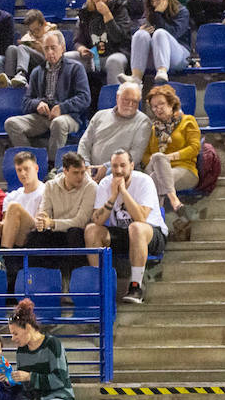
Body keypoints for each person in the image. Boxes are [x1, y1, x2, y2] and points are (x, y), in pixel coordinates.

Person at [84, 148, 167, 304]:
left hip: (150, 233)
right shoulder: (105, 183)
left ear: (132, 165)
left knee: (135, 227)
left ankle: (136, 286)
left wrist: (123, 191)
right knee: (91, 230)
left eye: (123, 165)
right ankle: (100, 286)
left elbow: (141, 217)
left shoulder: (144, 181)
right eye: (115, 166)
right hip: (123, 233)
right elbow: (97, 220)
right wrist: (113, 196)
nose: (118, 170)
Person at [5, 31, 92, 160]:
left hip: (69, 116)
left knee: (58, 123)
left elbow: (85, 98)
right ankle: (29, 161)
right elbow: (26, 102)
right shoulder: (37, 71)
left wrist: (61, 108)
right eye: (46, 48)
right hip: (42, 116)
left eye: (53, 48)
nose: (50, 52)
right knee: (11, 123)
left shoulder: (76, 68)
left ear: (62, 48)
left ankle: (52, 165)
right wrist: (37, 104)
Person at [0, 149, 45, 259]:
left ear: (36, 168)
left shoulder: (46, 191)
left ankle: (3, 258)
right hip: (11, 233)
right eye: (19, 170)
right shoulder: (12, 196)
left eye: (26, 169)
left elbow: (41, 223)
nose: (23, 173)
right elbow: (6, 222)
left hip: (34, 234)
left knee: (14, 207)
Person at [142, 83, 199, 214]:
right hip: (156, 167)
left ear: (171, 103)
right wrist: (158, 160)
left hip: (184, 170)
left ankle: (156, 219)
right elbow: (145, 155)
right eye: (154, 106)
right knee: (157, 158)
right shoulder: (153, 128)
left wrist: (169, 157)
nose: (158, 109)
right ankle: (175, 202)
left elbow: (194, 148)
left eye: (161, 104)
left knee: (154, 180)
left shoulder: (188, 121)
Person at [27, 151, 97, 256]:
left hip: (77, 233)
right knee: (34, 236)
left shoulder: (91, 187)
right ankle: (34, 272)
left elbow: (80, 222)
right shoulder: (50, 186)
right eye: (75, 173)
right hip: (56, 232)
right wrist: (42, 220)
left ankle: (73, 271)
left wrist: (51, 223)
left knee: (74, 233)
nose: (80, 177)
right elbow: (44, 212)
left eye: (82, 172)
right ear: (65, 171)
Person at [77, 82, 152, 181]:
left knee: (112, 175)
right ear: (117, 97)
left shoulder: (144, 122)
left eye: (135, 102)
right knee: (64, 172)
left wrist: (107, 167)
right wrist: (85, 165)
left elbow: (135, 156)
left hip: (119, 169)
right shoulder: (100, 115)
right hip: (90, 168)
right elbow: (84, 143)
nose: (130, 105)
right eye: (126, 100)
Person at [121, 0, 189, 84]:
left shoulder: (182, 11)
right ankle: (136, 77)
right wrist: (139, 29)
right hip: (155, 55)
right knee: (140, 34)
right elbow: (133, 30)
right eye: (152, 1)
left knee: (160, 33)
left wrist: (158, 15)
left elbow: (174, 34)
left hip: (178, 55)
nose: (154, 4)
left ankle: (162, 71)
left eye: (157, 0)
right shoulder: (150, 12)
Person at [73, 0, 133, 86]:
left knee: (114, 61)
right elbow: (78, 40)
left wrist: (107, 14)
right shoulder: (85, 12)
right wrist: (81, 49)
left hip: (116, 53)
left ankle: (113, 98)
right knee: (68, 58)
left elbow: (118, 37)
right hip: (93, 57)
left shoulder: (119, 7)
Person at [0, 8, 53, 88]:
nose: (34, 34)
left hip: (45, 60)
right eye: (32, 31)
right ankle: (10, 79)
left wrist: (40, 47)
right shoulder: (30, 35)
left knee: (22, 47)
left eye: (37, 30)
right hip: (31, 61)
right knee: (12, 49)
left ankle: (21, 74)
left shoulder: (52, 33)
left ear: (43, 24)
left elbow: (57, 54)